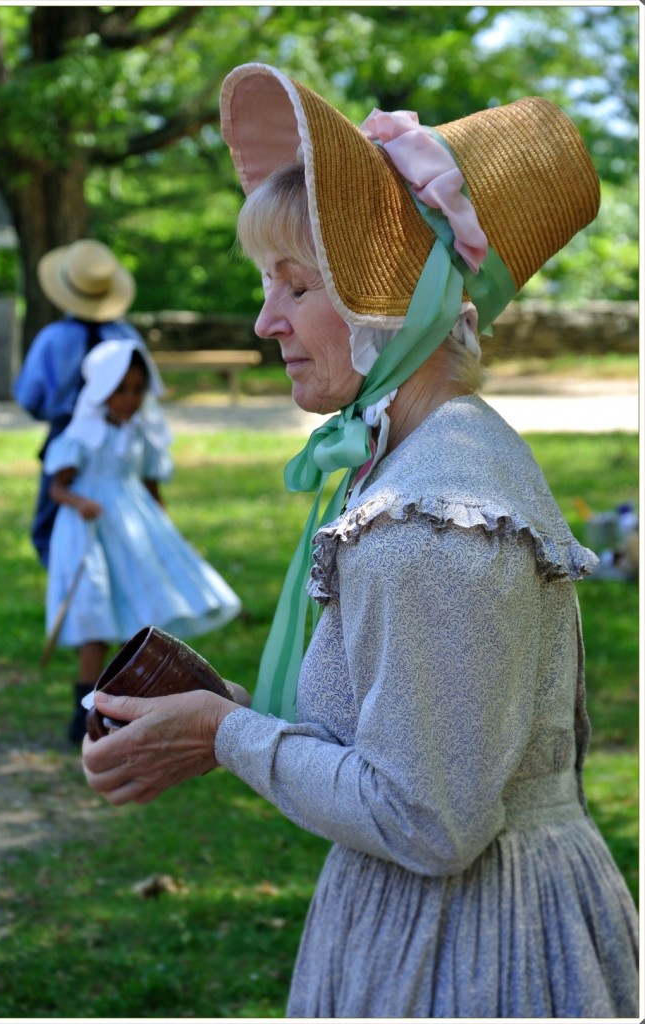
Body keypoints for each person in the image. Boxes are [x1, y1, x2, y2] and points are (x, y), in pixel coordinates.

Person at [81, 64, 639, 1018]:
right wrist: (226, 717)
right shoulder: (432, 458)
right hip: (477, 917)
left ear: (396, 301)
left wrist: (228, 733)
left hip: (466, 953)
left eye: (296, 287)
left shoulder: (427, 513)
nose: (267, 322)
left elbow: (430, 820)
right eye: (269, 286)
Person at [46, 337, 242, 744]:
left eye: (137, 389)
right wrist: (80, 502)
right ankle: (80, 710)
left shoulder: (140, 434)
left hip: (132, 529)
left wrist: (165, 531)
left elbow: (151, 488)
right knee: (95, 616)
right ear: (101, 390)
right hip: (93, 532)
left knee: (133, 613)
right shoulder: (82, 436)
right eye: (121, 390)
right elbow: (57, 488)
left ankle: (120, 705)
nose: (130, 399)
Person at [13, 239, 144, 568]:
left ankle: (63, 582)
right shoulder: (127, 336)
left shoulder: (52, 338)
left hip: (65, 433)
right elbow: (146, 388)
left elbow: (30, 397)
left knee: (48, 522)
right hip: (118, 437)